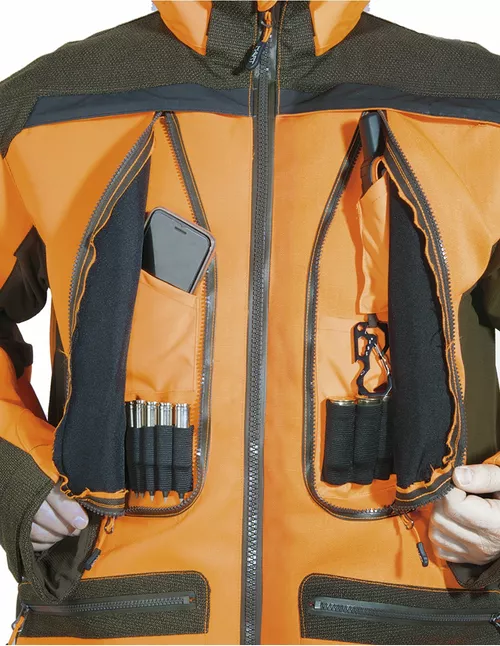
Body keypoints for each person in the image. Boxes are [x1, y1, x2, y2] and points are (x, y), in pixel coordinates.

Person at [2, 1, 500, 644]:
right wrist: (16, 473)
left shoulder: (478, 104)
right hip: (116, 617)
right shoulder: (46, 108)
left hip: (415, 617)